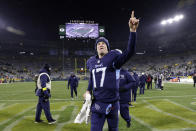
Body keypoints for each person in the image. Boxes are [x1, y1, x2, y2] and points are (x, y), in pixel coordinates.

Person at [83, 11, 139, 131]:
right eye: (99, 43)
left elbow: (130, 52)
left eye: (103, 43)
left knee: (113, 129)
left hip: (113, 103)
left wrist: (132, 31)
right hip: (98, 103)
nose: (101, 45)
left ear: (108, 47)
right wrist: (88, 90)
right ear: (96, 47)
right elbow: (93, 78)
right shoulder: (91, 61)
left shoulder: (113, 58)